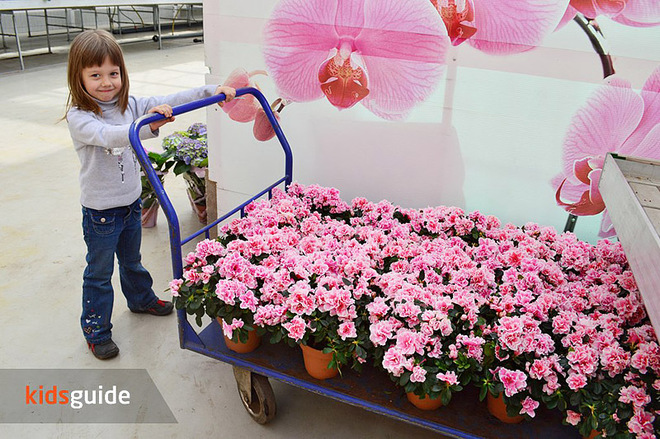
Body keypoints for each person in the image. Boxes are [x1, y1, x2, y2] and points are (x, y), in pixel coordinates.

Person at [65, 29, 236, 360]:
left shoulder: (128, 105)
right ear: (79, 77)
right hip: (101, 212)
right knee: (99, 272)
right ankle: (96, 329)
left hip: (130, 203)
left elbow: (172, 100)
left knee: (131, 259)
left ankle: (140, 299)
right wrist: (149, 124)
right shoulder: (81, 117)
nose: (106, 82)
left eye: (113, 73)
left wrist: (211, 90)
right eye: (95, 75)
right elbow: (113, 136)